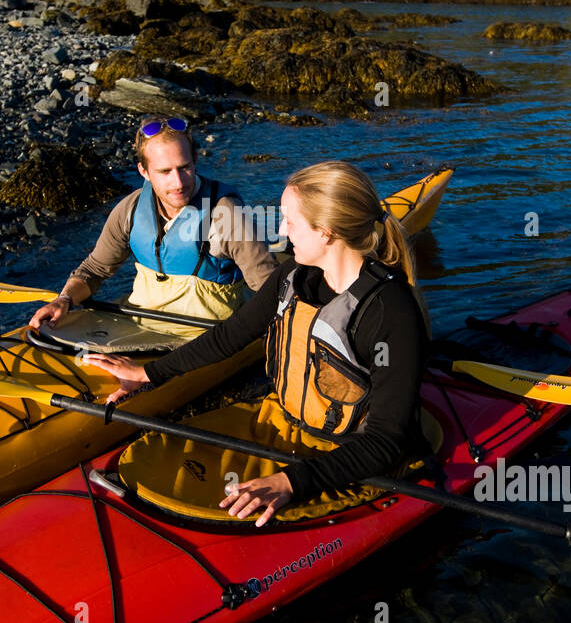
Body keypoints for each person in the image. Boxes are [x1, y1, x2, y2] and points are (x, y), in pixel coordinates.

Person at [85, 160, 432, 527]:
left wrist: (290, 482)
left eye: (290, 221)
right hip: (283, 422)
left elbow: (385, 442)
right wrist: (147, 373)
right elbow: (230, 335)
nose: (280, 232)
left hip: (350, 453)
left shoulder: (389, 311)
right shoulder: (292, 276)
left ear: (326, 232)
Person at [29, 116, 278, 335]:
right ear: (144, 171)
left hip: (205, 339)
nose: (178, 182)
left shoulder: (226, 214)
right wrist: (64, 299)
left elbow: (269, 288)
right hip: (141, 324)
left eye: (184, 168)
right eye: (164, 171)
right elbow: (94, 270)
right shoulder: (131, 209)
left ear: (195, 160)